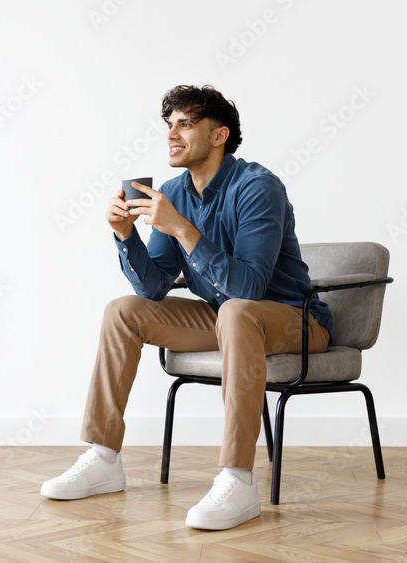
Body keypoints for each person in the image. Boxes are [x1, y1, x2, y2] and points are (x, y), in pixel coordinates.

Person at [40, 85, 333, 531]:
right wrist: (126, 235)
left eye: (185, 124)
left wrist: (181, 228)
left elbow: (250, 287)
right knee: (124, 310)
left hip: (293, 318)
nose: (172, 134)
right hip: (225, 318)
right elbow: (153, 287)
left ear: (219, 135)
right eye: (169, 125)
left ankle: (237, 478)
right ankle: (103, 458)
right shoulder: (174, 191)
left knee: (236, 311)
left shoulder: (258, 187)